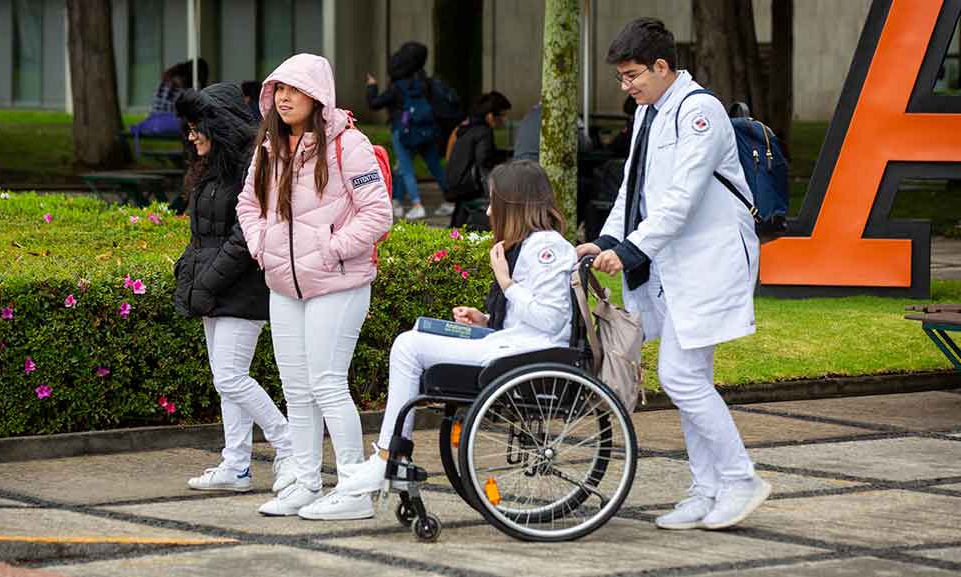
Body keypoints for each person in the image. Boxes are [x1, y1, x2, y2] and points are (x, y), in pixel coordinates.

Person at [578, 18, 770, 531]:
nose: (626, 86)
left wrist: (632, 248)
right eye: (621, 77)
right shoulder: (649, 112)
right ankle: (705, 490)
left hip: (710, 261)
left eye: (632, 75)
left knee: (681, 376)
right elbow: (634, 190)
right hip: (672, 262)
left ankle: (740, 479)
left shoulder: (699, 111)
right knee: (691, 379)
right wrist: (606, 238)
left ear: (662, 66)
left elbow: (682, 198)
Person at [307, 160, 576, 519]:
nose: (490, 210)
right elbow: (533, 316)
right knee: (419, 334)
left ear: (516, 204)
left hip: (526, 354)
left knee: (408, 345)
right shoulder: (531, 244)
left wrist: (507, 284)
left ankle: (389, 455)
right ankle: (391, 454)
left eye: (496, 202)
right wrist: (484, 318)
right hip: (514, 343)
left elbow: (551, 319)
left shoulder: (547, 247)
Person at [236, 53, 393, 518]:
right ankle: (305, 482)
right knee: (296, 387)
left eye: (295, 89)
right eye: (278, 89)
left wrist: (328, 250)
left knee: (327, 383)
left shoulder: (351, 145)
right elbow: (248, 204)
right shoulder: (269, 146)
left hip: (337, 283)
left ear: (317, 96)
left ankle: (352, 489)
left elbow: (378, 213)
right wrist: (262, 247)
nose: (284, 98)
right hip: (284, 284)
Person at [172, 83, 298, 496]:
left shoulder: (253, 166)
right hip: (214, 287)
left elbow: (246, 238)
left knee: (229, 377)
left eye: (197, 128)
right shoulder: (211, 167)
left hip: (241, 290)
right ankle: (236, 464)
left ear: (218, 126)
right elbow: (203, 235)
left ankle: (288, 444)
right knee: (227, 377)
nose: (191, 136)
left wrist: (207, 279)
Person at [365, 42, 449, 220]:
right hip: (426, 131)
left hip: (403, 132)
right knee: (435, 167)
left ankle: (416, 204)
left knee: (405, 168)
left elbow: (374, 104)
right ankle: (451, 200)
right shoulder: (424, 82)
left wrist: (372, 86)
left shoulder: (397, 86)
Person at [444, 91, 511, 228]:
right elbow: (484, 159)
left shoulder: (466, 127)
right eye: (502, 115)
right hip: (470, 187)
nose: (504, 120)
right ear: (490, 116)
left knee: (458, 221)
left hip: (456, 183)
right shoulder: (484, 132)